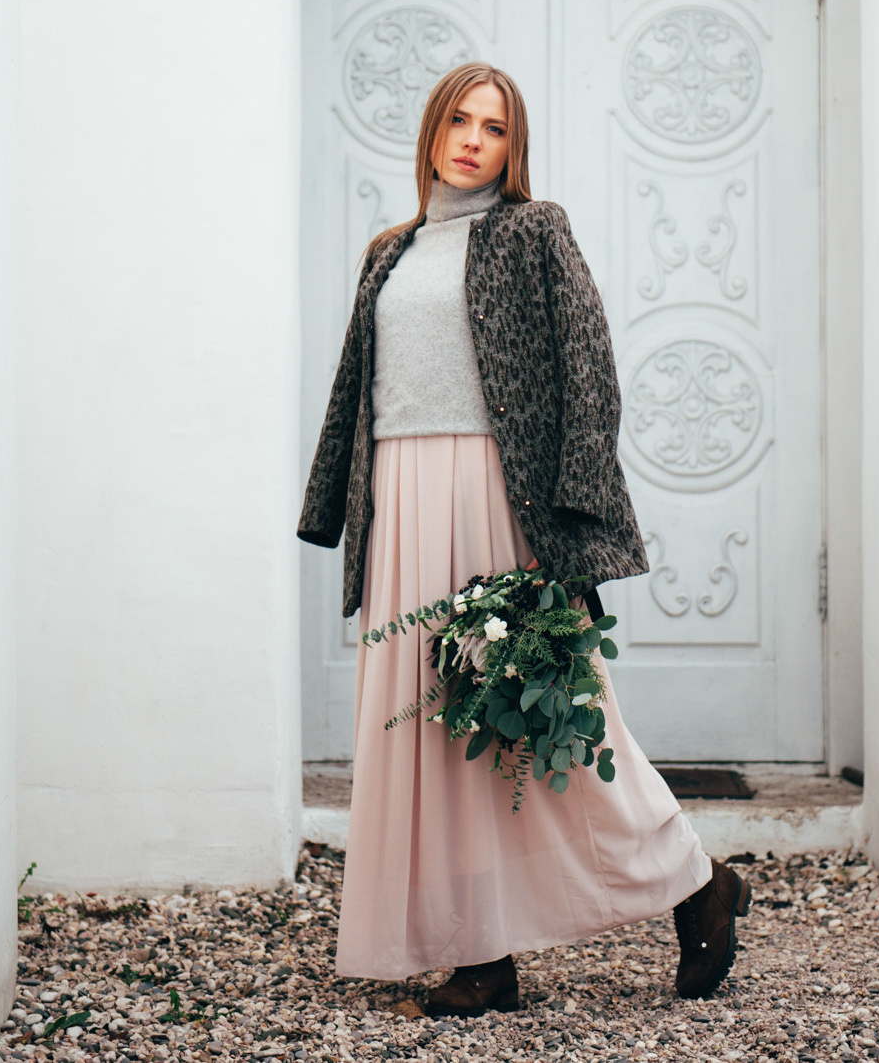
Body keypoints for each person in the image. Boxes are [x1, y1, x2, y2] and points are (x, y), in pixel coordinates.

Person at [297, 63, 752, 1017]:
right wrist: (336, 508)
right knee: (434, 728)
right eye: (457, 119)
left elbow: (591, 374)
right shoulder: (389, 250)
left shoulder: (534, 232)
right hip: (402, 498)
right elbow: (357, 390)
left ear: (515, 147)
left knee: (548, 716)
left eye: (494, 128)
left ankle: (695, 882)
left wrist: (569, 517)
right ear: (430, 130)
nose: (471, 138)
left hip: (499, 501)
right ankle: (483, 954)